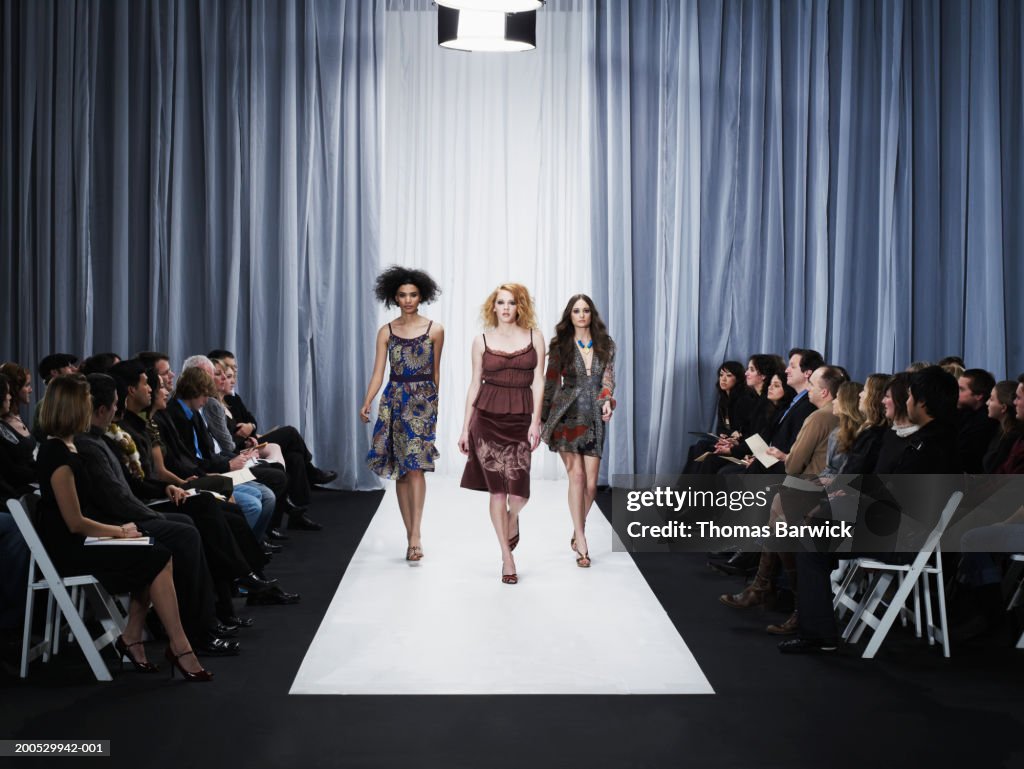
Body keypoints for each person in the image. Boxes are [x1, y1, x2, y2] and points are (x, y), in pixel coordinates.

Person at [34, 374, 212, 680]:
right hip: (72, 549)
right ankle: (178, 645)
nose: (92, 408)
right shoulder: (58, 455)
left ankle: (137, 637)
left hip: (86, 539)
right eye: (85, 402)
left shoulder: (70, 447)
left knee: (158, 553)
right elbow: (74, 523)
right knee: (156, 554)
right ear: (73, 407)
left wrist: (121, 529)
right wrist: (120, 531)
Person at [459, 283, 545, 585]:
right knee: (497, 490)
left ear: (519, 306)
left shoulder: (535, 337)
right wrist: (464, 426)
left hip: (521, 418)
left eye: (511, 303)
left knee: (519, 492)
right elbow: (473, 385)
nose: (506, 308)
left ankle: (512, 518)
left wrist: (536, 422)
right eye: (501, 303)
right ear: (492, 307)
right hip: (486, 420)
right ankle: (507, 558)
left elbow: (538, 382)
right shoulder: (481, 340)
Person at [360, 266, 444, 562]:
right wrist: (367, 401)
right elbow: (378, 372)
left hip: (422, 405)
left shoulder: (435, 329)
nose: (408, 300)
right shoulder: (387, 331)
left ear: (421, 296)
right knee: (401, 472)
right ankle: (409, 534)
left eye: (413, 295)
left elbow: (435, 373)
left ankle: (417, 535)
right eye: (402, 295)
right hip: (394, 401)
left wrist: (434, 408)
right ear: (394, 297)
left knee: (417, 468)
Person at [539, 294, 616, 568]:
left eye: (585, 310)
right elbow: (550, 382)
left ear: (592, 314)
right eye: (576, 311)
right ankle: (582, 540)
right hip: (566, 414)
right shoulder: (560, 345)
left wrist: (607, 399)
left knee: (592, 484)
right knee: (578, 477)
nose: (581, 315)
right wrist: (541, 419)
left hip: (594, 414)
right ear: (569, 315)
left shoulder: (606, 344)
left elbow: (608, 379)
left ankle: (577, 526)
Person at [683, 360, 754, 473]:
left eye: (729, 375)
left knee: (707, 455)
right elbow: (720, 428)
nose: (723, 379)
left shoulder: (745, 400)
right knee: (697, 447)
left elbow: (746, 432)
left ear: (738, 379)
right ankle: (685, 487)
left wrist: (732, 437)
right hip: (728, 441)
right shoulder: (723, 399)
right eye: (721, 375)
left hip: (740, 447)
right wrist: (726, 436)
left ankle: (693, 488)